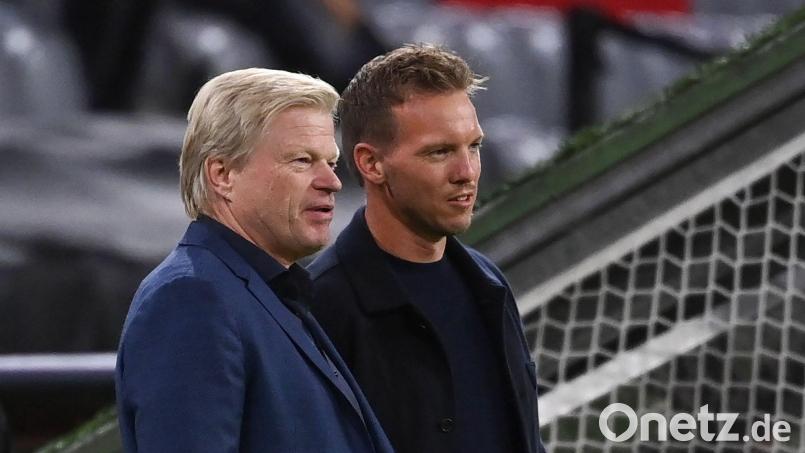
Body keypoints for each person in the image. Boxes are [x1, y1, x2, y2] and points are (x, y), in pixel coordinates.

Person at [115, 68, 393, 453]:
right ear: (223, 174)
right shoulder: (192, 299)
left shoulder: (270, 293)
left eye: (330, 163)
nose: (332, 182)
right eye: (301, 160)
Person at [308, 44, 547, 453]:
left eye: (473, 147)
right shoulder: (319, 305)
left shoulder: (488, 284)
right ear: (371, 164)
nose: (467, 173)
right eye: (440, 152)